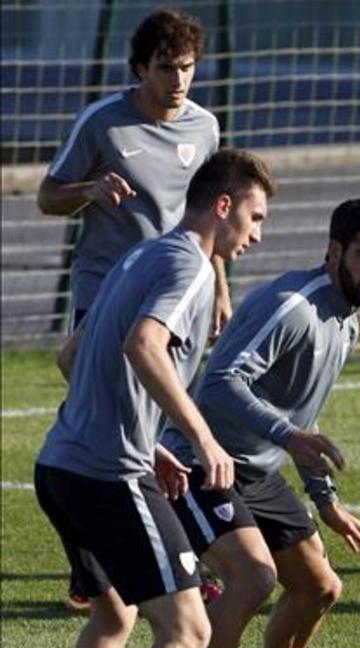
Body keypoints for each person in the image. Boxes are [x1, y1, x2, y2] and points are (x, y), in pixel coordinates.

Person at [34, 148, 277, 648]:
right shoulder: (193, 265)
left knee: (113, 619)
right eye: (254, 218)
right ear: (222, 205)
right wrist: (203, 439)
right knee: (188, 630)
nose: (257, 234)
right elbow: (143, 345)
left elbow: (70, 357)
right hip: (108, 477)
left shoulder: (141, 255)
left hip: (58, 467)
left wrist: (153, 445)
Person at [35, 8, 229, 611]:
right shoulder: (103, 123)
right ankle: (97, 561)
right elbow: (46, 196)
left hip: (176, 292)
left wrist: (220, 284)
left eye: (187, 68)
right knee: (102, 410)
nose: (178, 79)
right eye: (166, 68)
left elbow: (209, 219)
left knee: (150, 418)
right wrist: (89, 190)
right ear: (139, 68)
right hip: (108, 290)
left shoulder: (206, 128)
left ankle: (162, 560)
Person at [161, 199, 360, 648]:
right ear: (335, 251)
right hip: (199, 460)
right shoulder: (293, 306)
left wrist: (325, 498)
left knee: (321, 588)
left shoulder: (346, 321)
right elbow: (221, 382)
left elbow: (302, 421)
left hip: (256, 472)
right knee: (253, 579)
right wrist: (286, 435)